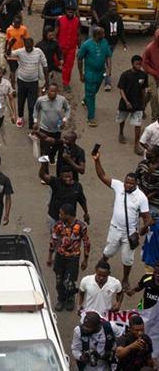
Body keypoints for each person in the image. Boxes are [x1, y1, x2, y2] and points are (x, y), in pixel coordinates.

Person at [94, 151, 152, 286]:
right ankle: (101, 266)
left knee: (127, 260)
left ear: (136, 183)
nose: (127, 185)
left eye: (131, 183)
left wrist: (143, 229)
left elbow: (146, 217)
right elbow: (102, 176)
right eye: (126, 182)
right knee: (108, 251)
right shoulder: (118, 186)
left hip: (130, 233)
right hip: (115, 228)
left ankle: (125, 278)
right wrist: (97, 161)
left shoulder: (141, 197)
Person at [47, 203, 90, 311]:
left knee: (69, 281)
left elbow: (86, 243)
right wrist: (50, 256)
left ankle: (70, 298)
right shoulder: (58, 225)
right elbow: (53, 240)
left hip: (73, 257)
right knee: (59, 281)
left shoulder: (81, 226)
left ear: (68, 215)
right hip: (60, 256)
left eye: (61, 214)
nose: (59, 215)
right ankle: (61, 299)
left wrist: (85, 259)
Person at [78, 27, 112, 127]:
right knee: (92, 95)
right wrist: (81, 74)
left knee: (94, 91)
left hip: (100, 73)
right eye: (103, 34)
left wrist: (109, 69)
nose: (104, 35)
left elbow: (108, 56)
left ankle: (85, 100)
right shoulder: (86, 45)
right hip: (90, 74)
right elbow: (79, 59)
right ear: (97, 35)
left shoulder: (105, 42)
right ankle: (91, 117)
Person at [117, 55, 149, 156]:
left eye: (140, 64)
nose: (139, 66)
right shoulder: (125, 75)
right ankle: (121, 133)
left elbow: (143, 90)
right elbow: (121, 89)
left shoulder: (144, 75)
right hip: (125, 103)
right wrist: (126, 102)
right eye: (137, 64)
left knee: (138, 124)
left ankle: (136, 145)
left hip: (137, 103)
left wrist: (143, 104)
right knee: (121, 120)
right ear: (132, 64)